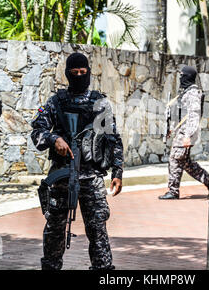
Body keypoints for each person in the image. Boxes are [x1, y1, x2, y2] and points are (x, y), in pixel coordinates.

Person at [31, 52, 124, 270]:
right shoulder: (55, 102)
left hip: (91, 177)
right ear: (67, 74)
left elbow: (113, 139)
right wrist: (54, 139)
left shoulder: (100, 103)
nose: (80, 76)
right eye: (75, 73)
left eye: (84, 73)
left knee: (98, 229)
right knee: (55, 229)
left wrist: (117, 172)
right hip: (62, 176)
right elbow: (37, 130)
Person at [159, 65, 209, 200]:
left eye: (182, 75)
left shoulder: (193, 93)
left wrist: (188, 136)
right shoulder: (186, 92)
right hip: (181, 132)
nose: (180, 78)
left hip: (186, 133)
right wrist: (172, 128)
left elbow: (194, 115)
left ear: (188, 77)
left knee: (175, 158)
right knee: (187, 164)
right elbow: (182, 114)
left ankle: (173, 191)